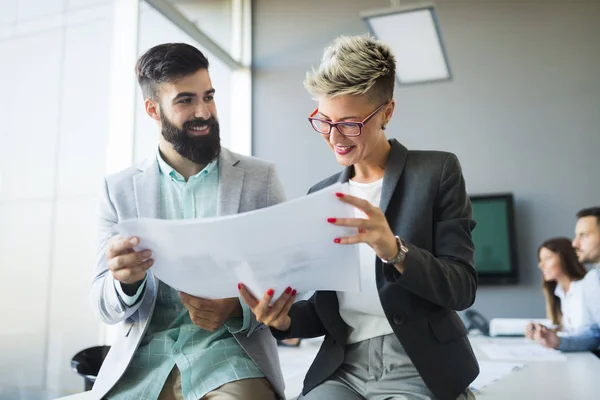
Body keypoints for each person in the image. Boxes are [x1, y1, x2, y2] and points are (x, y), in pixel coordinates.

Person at [239, 34, 478, 400]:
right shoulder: (321, 195)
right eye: (324, 121)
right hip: (344, 369)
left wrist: (395, 251)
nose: (335, 137)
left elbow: (462, 287)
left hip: (419, 366)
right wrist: (284, 321)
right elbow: (326, 310)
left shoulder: (436, 171)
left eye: (350, 124)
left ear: (387, 112)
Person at [89, 43, 285, 400]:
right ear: (153, 109)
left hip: (231, 358)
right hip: (143, 366)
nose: (204, 112)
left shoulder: (260, 179)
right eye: (185, 101)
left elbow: (292, 281)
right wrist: (125, 283)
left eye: (208, 97)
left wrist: (237, 307)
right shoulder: (118, 190)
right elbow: (102, 304)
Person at [532, 207, 600, 351]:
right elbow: (593, 334)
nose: (575, 243)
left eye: (584, 235)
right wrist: (558, 342)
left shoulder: (584, 285)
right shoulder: (592, 280)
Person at [525, 237, 588, 338]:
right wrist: (544, 331)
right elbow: (569, 331)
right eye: (540, 260)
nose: (541, 265)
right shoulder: (559, 292)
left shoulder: (585, 288)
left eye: (547, 258)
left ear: (565, 258)